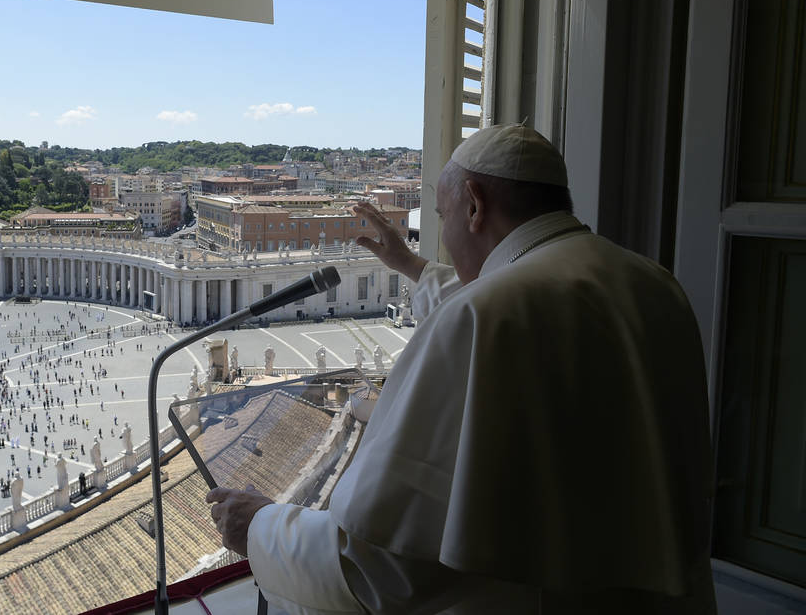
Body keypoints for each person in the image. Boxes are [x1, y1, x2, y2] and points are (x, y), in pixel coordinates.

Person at [206, 124, 716, 614]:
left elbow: (377, 568)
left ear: (474, 205)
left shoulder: (479, 317)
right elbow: (522, 298)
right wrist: (409, 266)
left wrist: (262, 527)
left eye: (443, 215)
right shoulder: (652, 283)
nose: (444, 236)